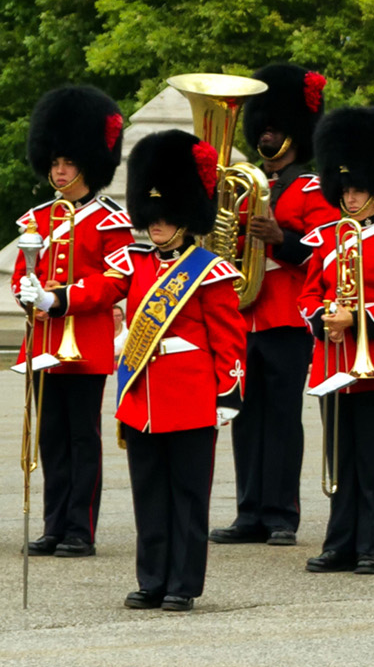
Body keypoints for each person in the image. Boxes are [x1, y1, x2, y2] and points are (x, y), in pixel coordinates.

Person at [111, 130, 248, 611]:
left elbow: (229, 338)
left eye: (167, 215)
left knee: (188, 496)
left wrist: (228, 393)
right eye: (152, 216)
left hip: (191, 397)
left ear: (187, 218)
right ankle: (152, 579)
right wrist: (52, 298)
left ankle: (183, 584)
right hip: (142, 397)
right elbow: (96, 294)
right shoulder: (135, 264)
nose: (158, 224)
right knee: (149, 494)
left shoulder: (210, 270)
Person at [213, 63, 337, 548]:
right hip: (245, 315)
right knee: (246, 417)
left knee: (282, 419)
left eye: (276, 128)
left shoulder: (312, 186)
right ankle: (250, 513)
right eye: (262, 128)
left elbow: (327, 252)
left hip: (286, 315)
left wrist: (281, 240)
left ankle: (282, 514)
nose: (268, 136)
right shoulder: (244, 185)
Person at [299, 106, 374, 575]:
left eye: (359, 190)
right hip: (333, 358)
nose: (350, 198)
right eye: (345, 190)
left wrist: (358, 319)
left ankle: (367, 546)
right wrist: (322, 318)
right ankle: (338, 543)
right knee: (339, 456)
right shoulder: (327, 238)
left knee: (370, 459)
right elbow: (309, 292)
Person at [13, 85, 128, 560]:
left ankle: (81, 528)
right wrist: (27, 293)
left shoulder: (109, 220)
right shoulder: (37, 218)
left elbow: (116, 279)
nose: (59, 170)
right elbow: (24, 272)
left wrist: (60, 298)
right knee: (52, 438)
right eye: (55, 162)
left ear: (87, 163)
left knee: (83, 438)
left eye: (68, 162)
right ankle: (53, 524)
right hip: (44, 342)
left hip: (83, 342)